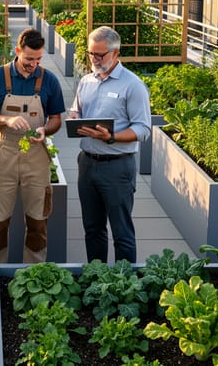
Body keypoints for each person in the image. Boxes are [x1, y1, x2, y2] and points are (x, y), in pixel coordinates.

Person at [0, 28, 65, 300]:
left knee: (37, 220)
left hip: (36, 154)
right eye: (29, 59)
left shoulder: (49, 81)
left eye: (38, 60)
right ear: (17, 51)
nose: (34, 65)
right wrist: (6, 120)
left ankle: (33, 278)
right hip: (4, 152)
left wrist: (45, 131)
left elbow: (57, 119)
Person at [69, 26, 152, 263]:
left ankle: (124, 285)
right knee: (93, 229)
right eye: (91, 54)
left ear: (115, 53)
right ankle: (97, 280)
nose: (94, 59)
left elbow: (143, 129)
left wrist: (111, 136)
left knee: (122, 232)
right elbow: (77, 109)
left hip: (117, 167)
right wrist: (74, 117)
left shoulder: (132, 85)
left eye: (100, 55)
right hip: (87, 164)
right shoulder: (86, 81)